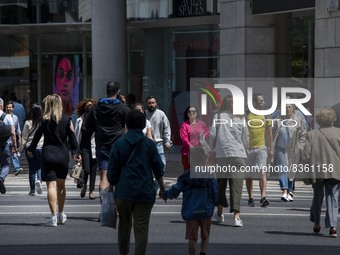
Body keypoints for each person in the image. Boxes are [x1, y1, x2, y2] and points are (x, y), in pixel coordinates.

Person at [108, 110, 165, 255]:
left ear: (126, 124)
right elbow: (158, 168)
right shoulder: (149, 144)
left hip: (124, 191)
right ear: (143, 125)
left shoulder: (119, 143)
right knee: (141, 228)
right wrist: (162, 188)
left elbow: (112, 170)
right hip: (144, 191)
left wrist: (112, 185)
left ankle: (124, 253)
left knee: (124, 226)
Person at [27, 94, 81, 227]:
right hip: (62, 155)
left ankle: (53, 217)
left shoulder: (44, 121)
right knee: (61, 186)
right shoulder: (67, 119)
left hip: (48, 154)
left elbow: (37, 137)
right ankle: (61, 214)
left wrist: (31, 149)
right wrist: (75, 152)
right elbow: (72, 138)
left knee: (51, 186)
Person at [162, 146, 218, 255]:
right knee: (205, 236)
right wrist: (215, 202)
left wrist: (166, 194)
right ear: (204, 159)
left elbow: (176, 190)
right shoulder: (210, 175)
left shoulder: (185, 177)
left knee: (192, 238)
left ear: (189, 159)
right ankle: (203, 252)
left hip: (191, 211)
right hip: (206, 210)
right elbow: (214, 191)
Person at [84, 81, 130, 202]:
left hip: (102, 145)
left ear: (107, 91)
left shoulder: (96, 107)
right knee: (119, 177)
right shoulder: (122, 107)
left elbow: (87, 127)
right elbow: (133, 122)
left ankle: (105, 209)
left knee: (104, 178)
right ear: (118, 92)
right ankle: (117, 207)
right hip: (119, 146)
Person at [301, 107, 340, 238]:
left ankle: (317, 223)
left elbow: (306, 155)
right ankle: (333, 227)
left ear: (318, 120)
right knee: (333, 197)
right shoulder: (339, 133)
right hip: (335, 170)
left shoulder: (312, 134)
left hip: (317, 170)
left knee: (317, 196)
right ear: (333, 119)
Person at [211, 96, 248, 226]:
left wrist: (211, 150)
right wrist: (246, 151)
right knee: (237, 186)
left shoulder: (218, 117)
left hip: (222, 154)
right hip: (238, 154)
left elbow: (212, 136)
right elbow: (245, 138)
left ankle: (220, 214)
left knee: (221, 184)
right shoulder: (241, 118)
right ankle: (236, 217)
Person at [272, 104, 307, 202]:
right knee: (283, 169)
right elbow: (272, 133)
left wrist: (300, 147)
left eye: (289, 107)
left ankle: (290, 191)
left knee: (291, 170)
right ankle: (285, 191)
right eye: (285, 107)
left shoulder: (298, 120)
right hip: (280, 148)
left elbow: (303, 134)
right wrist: (271, 148)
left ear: (293, 109)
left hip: (293, 149)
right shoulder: (278, 120)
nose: (287, 109)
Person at [246, 93, 273, 207]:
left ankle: (263, 197)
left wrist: (271, 148)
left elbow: (269, 133)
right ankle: (250, 198)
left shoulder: (266, 115)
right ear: (254, 102)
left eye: (263, 101)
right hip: (249, 149)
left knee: (262, 172)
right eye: (260, 101)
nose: (263, 103)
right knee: (249, 175)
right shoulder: (247, 114)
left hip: (262, 147)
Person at [75, 98, 97, 200]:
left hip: (94, 147)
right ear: (84, 108)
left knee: (93, 170)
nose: (89, 108)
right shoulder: (80, 120)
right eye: (87, 106)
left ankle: (91, 191)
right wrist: (76, 151)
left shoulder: (97, 120)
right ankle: (84, 185)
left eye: (91, 106)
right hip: (84, 147)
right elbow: (76, 136)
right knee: (87, 169)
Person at [21, 104, 44, 196]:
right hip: (40, 146)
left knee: (32, 168)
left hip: (29, 147)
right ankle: (39, 180)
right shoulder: (43, 122)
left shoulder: (27, 122)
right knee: (39, 166)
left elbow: (24, 137)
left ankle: (32, 190)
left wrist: (20, 149)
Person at [180, 106, 209, 170]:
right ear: (187, 114)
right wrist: (191, 147)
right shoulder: (184, 125)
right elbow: (184, 138)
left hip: (200, 152)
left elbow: (207, 133)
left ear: (197, 113)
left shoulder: (202, 124)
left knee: (200, 171)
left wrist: (204, 136)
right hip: (188, 152)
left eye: (194, 111)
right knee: (188, 172)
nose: (191, 113)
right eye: (189, 111)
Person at [145, 96, 172, 168]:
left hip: (158, 143)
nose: (151, 105)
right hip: (146, 144)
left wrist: (167, 142)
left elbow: (167, 128)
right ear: (146, 104)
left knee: (161, 163)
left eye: (153, 103)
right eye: (149, 103)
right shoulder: (144, 114)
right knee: (147, 163)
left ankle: (159, 178)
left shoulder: (161, 114)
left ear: (156, 103)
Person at [0, 97, 17, 194]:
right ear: (2, 106)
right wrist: (14, 145)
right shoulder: (7, 117)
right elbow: (12, 133)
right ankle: (1, 178)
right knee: (6, 164)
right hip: (5, 144)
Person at [6, 101, 23, 176]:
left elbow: (18, 129)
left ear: (13, 108)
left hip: (13, 139)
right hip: (5, 139)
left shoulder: (15, 118)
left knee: (14, 153)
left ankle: (16, 168)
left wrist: (19, 138)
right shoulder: (3, 116)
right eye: (7, 107)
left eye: (10, 107)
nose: (8, 108)